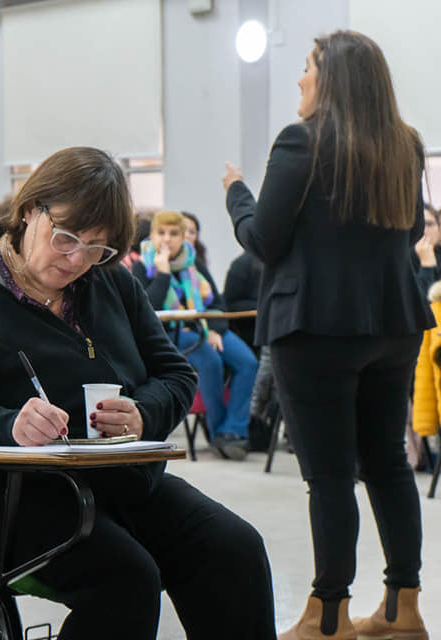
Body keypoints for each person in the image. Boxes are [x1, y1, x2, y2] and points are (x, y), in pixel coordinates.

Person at [0, 147, 276, 639]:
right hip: (3, 494)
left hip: (112, 482)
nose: (77, 259)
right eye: (67, 237)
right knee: (126, 579)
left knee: (233, 548)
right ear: (30, 210)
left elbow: (176, 374)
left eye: (98, 247)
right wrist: (7, 425)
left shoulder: (110, 282)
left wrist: (142, 413)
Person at [222, 31, 432, 639]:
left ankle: (329, 617)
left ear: (333, 78)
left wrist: (236, 194)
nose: (300, 80)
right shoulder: (406, 146)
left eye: (308, 68)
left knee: (331, 476)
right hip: (394, 325)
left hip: (315, 328)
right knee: (388, 466)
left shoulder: (299, 142)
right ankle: (401, 609)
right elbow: (410, 227)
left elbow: (264, 239)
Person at [132, 210, 258, 461]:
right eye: (161, 233)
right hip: (169, 333)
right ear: (152, 235)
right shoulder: (142, 265)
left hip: (205, 327)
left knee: (247, 362)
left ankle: (234, 430)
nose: (166, 239)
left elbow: (218, 303)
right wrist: (163, 274)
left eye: (174, 234)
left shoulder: (194, 264)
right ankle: (218, 432)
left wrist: (214, 330)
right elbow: (146, 309)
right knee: (210, 361)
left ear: (184, 238)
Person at [411, 204, 441, 296]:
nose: (424, 231)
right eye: (419, 225)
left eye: (429, 224)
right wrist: (427, 266)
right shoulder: (405, 260)